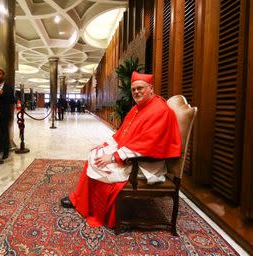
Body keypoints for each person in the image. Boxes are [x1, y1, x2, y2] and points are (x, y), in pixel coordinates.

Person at [60, 71, 182, 229]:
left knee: (100, 164)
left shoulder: (159, 110)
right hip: (134, 154)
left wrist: (113, 157)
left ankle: (95, 211)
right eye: (134, 90)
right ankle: (80, 199)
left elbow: (148, 144)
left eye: (140, 88)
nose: (136, 92)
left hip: (146, 164)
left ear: (150, 89)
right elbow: (123, 133)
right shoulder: (139, 108)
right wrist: (107, 145)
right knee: (95, 155)